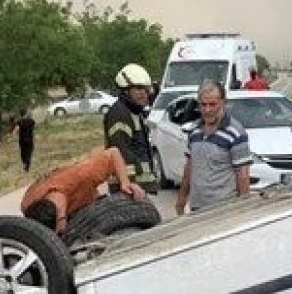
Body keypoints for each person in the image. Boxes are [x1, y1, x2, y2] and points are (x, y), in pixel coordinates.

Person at [20, 147, 146, 237]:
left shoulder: (82, 175)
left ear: (61, 219)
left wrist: (125, 183)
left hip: (85, 198)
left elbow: (113, 153)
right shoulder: (27, 204)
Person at [174, 80, 252, 215]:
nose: (207, 110)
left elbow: (243, 176)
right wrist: (181, 200)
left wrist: (243, 211)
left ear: (222, 102)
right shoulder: (194, 132)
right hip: (197, 209)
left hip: (224, 210)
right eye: (203, 105)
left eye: (212, 104)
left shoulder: (235, 133)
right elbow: (189, 168)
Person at [103, 63, 159, 195]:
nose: (144, 94)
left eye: (146, 90)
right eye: (139, 89)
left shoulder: (134, 113)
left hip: (136, 188)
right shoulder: (119, 114)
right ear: (125, 91)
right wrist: (129, 183)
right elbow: (120, 149)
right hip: (128, 189)